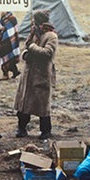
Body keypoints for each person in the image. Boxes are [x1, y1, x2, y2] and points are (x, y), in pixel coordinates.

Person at [14, 9, 58, 139]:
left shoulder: (51, 36)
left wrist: (32, 47)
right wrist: (25, 54)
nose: (33, 24)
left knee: (42, 105)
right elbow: (26, 47)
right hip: (28, 74)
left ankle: (46, 131)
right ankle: (21, 129)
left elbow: (47, 53)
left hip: (41, 74)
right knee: (24, 103)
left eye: (35, 21)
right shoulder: (34, 33)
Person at [0, 12, 21, 80]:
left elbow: (12, 30)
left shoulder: (11, 18)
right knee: (8, 57)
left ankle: (5, 74)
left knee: (5, 56)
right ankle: (15, 71)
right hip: (5, 39)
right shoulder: (4, 18)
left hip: (8, 40)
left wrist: (3, 29)